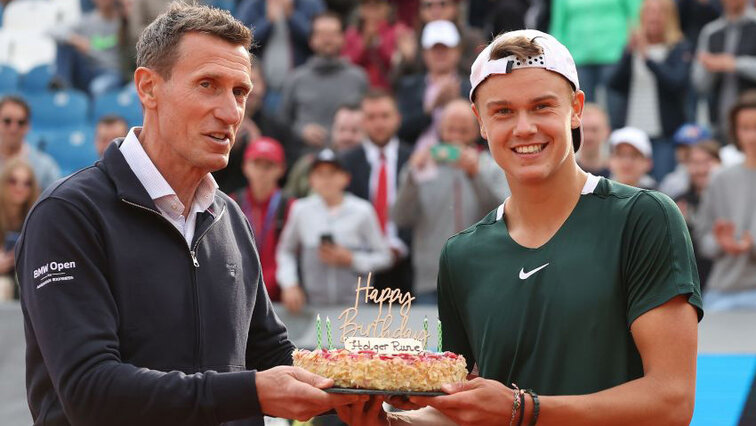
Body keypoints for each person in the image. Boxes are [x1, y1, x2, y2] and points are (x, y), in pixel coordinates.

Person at [338, 29, 701, 426]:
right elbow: (466, 412)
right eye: (503, 111)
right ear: (480, 122)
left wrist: (523, 410)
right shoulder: (461, 255)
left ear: (576, 108)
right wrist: (390, 423)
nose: (524, 128)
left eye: (542, 106)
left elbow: (671, 401)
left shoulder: (644, 218)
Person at [16, 5, 358, 425]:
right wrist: (250, 391)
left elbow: (270, 354)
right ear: (148, 88)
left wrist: (357, 392)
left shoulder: (230, 217)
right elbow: (90, 392)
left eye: (239, 92)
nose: (232, 112)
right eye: (208, 85)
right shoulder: (68, 215)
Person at [392, 99, 509, 303]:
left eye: (463, 130)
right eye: (450, 129)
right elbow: (400, 218)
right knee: (433, 335)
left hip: (482, 276)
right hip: (432, 279)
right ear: (440, 129)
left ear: (476, 131)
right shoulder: (421, 168)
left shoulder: (491, 166)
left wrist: (476, 176)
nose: (455, 137)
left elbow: (506, 216)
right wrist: (411, 177)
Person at [276, 148, 392, 313]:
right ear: (311, 179)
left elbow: (385, 257)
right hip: (312, 306)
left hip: (356, 309)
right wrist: (289, 284)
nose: (326, 180)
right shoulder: (300, 210)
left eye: (332, 173)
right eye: (320, 174)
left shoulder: (362, 211)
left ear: (346, 178)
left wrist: (352, 259)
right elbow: (285, 251)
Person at [608, 0, 692, 182]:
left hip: (664, 134)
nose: (653, 17)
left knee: (661, 188)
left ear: (669, 17)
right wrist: (629, 53)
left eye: (660, 12)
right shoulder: (633, 47)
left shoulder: (679, 47)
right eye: (649, 12)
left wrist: (648, 59)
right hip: (633, 129)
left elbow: (677, 84)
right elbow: (614, 83)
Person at [340, 89, 413, 294]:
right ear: (362, 122)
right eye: (371, 117)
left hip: (407, 265)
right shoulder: (346, 162)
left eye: (385, 116)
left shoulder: (414, 158)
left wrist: (400, 247)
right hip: (359, 265)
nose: (379, 123)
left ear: (397, 119)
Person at [694, 91, 756, 311]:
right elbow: (704, 239)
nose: (751, 137)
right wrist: (721, 243)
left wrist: (751, 244)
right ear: (735, 131)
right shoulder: (720, 179)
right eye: (745, 128)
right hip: (723, 291)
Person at [279, 11, 368, 158]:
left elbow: (368, 121)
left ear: (343, 38)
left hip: (350, 159)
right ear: (311, 40)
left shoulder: (358, 78)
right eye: (321, 34)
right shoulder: (295, 79)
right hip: (307, 159)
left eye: (333, 34)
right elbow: (282, 123)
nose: (327, 40)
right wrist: (301, 130)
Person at [214, 59, 298, 194]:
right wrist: (228, 147)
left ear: (264, 86)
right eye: (240, 85)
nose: (248, 90)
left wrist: (260, 147)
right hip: (221, 199)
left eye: (253, 82)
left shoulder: (278, 127)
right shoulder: (216, 124)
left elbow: (290, 175)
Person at [235, 0, 326, 113]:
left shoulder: (311, 4)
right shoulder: (252, 5)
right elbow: (241, 41)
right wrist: (267, 21)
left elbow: (319, 42)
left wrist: (292, 17)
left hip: (301, 87)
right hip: (260, 89)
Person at [231, 137, 293, 304]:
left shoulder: (292, 207)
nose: (262, 171)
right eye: (256, 164)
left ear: (281, 169)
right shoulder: (231, 204)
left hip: (281, 298)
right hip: (239, 296)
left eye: (269, 166)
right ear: (245, 167)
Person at [395, 20, 471, 148]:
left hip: (461, 158)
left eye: (445, 48)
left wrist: (458, 103)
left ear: (458, 51)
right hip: (417, 159)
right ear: (424, 53)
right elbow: (400, 130)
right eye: (434, 49)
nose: (440, 53)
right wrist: (431, 108)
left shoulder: (471, 87)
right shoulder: (408, 86)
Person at [692, 0, 756, 138]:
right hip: (719, 121)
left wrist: (734, 64)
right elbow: (699, 83)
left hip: (752, 122)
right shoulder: (710, 32)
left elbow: (732, 64)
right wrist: (711, 67)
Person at [284, 103, 365, 198]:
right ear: (333, 130)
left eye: (354, 130)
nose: (347, 137)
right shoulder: (308, 164)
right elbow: (288, 201)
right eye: (342, 129)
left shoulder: (375, 165)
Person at [51, 0, 125, 95]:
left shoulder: (123, 21)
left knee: (98, 88)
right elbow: (53, 31)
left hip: (112, 71)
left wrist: (89, 50)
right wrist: (75, 39)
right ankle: (61, 85)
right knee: (64, 44)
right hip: (89, 69)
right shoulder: (87, 21)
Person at [675, 139, 721, 290]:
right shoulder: (678, 202)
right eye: (694, 162)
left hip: (722, 279)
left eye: (707, 161)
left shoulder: (730, 200)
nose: (701, 169)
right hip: (692, 283)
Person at [342, 0, 408, 90]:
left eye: (377, 5)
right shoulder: (352, 34)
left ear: (387, 8)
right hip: (358, 89)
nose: (372, 11)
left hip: (389, 90)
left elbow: (396, 65)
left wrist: (379, 41)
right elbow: (346, 65)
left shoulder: (398, 31)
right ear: (361, 9)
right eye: (367, 5)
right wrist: (364, 44)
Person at [0, 96, 61, 190]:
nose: (13, 129)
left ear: (28, 126)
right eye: (7, 121)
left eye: (21, 122)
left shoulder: (45, 166)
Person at [0, 159, 39, 301]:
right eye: (13, 181)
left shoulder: (38, 216)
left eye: (27, 183)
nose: (19, 187)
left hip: (27, 277)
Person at [658, 123, 712, 199]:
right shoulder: (671, 181)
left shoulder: (719, 172)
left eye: (689, 148)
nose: (685, 152)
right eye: (681, 147)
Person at [575, 102, 611, 177]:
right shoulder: (565, 172)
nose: (588, 136)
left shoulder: (617, 175)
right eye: (583, 129)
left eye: (594, 130)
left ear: (606, 132)